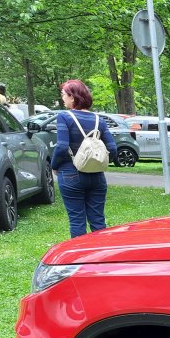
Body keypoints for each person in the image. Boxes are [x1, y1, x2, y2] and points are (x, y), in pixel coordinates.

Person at [51, 79, 117, 237]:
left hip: (70, 174)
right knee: (98, 221)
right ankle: (101, 258)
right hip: (97, 176)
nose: (63, 98)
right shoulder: (98, 120)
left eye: (64, 95)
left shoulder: (64, 117)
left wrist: (54, 166)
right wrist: (101, 164)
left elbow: (61, 147)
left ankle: (80, 259)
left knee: (77, 221)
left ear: (72, 97)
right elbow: (113, 148)